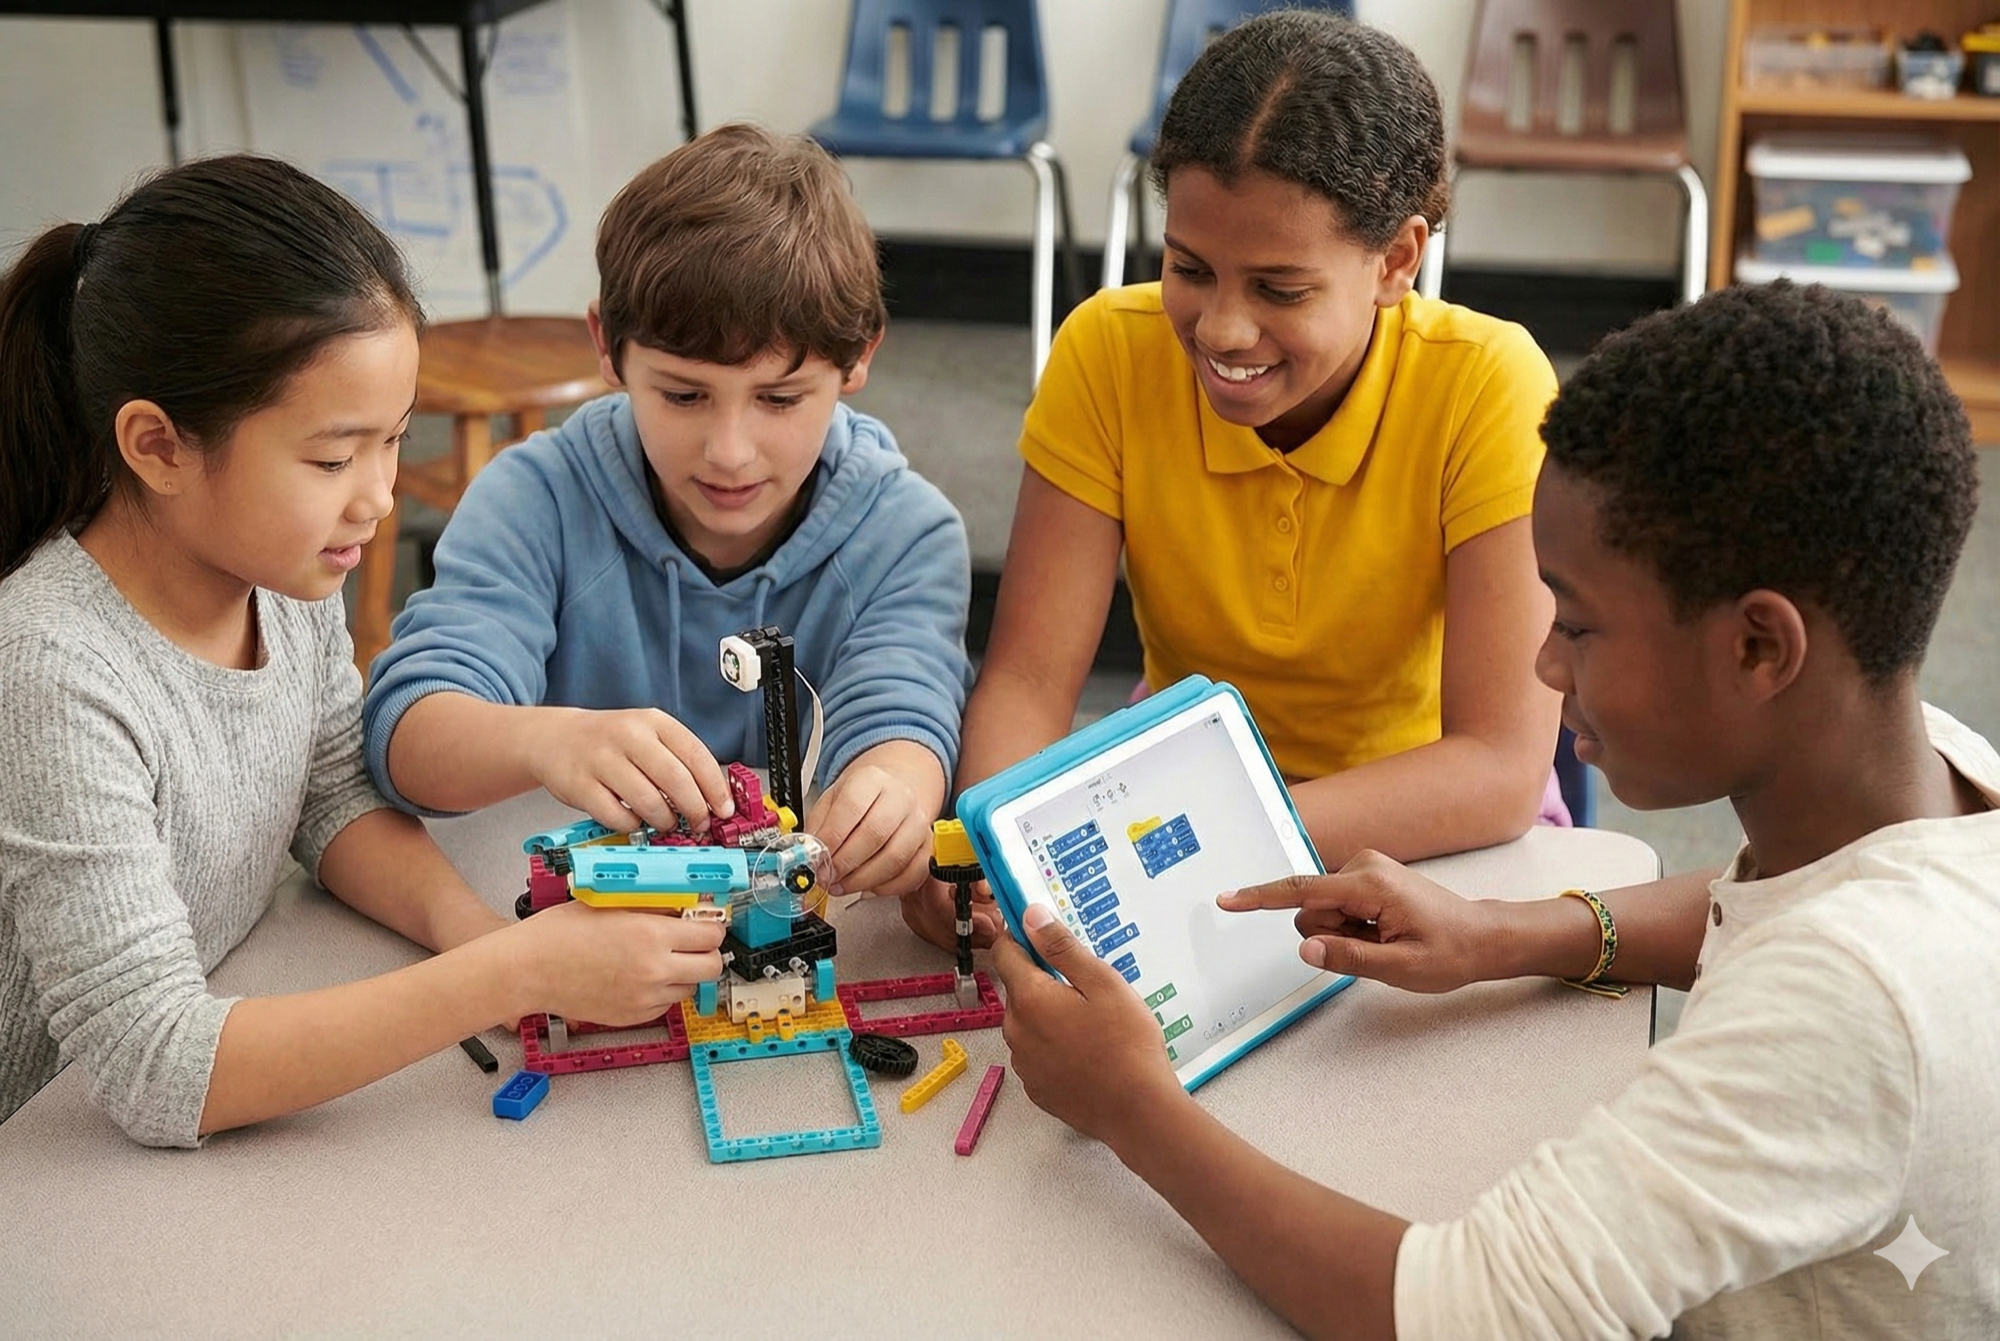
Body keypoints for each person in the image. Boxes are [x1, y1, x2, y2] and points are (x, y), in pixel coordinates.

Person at [992, 281, 1999, 1339]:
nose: (1545, 664)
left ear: (1758, 647)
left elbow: (1459, 1312)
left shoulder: (1842, 1002)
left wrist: (1134, 1109)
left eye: (1580, 627)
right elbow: (1771, 906)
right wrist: (1505, 933)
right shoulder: (1933, 775)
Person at [0, 156, 727, 1146]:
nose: (379, 496)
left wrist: (484, 939)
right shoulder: (52, 665)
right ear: (159, 446)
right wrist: (509, 972)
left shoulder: (279, 573)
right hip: (41, 1162)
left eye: (394, 440)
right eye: (334, 458)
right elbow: (155, 1066)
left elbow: (333, 793)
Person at [910, 11, 1563, 949]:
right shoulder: (1107, 352)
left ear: (1396, 261)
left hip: (1418, 826)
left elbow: (1497, 770)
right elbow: (1027, 677)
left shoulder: (1488, 385)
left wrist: (1204, 840)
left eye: (1279, 289)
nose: (1220, 328)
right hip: (1176, 799)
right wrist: (993, 839)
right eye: (1189, 268)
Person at [364, 124, 971, 903]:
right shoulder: (532, 499)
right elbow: (408, 734)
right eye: (683, 395)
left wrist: (893, 793)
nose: (730, 452)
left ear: (859, 359)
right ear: (608, 348)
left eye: (779, 399)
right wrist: (550, 739)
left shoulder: (907, 535)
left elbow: (903, 719)